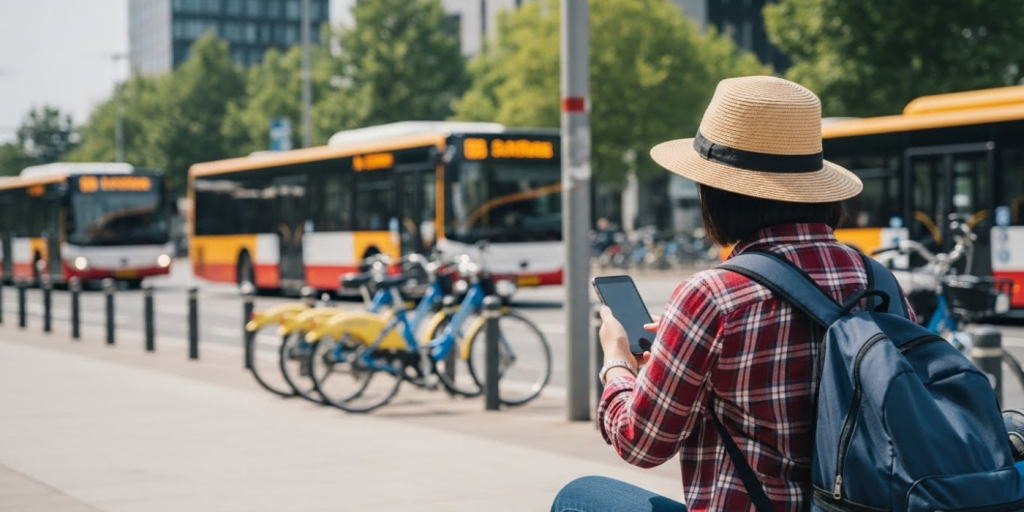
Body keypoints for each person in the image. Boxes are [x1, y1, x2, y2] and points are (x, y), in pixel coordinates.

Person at [551, 76, 914, 512]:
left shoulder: (714, 297)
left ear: (717, 195)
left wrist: (616, 363)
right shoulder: (879, 281)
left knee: (580, 496)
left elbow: (642, 443)